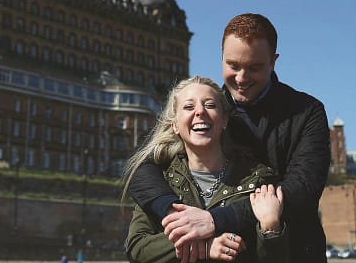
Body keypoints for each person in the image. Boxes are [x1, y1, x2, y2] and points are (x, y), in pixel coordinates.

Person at [128, 13, 331, 262]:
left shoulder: (307, 111)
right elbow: (139, 166)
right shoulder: (210, 108)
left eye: (254, 67)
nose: (242, 78)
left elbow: (302, 189)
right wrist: (175, 214)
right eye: (233, 65)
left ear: (273, 62)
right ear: (221, 57)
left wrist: (214, 220)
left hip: (296, 249)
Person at [124, 76, 289, 263]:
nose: (200, 111)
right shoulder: (160, 182)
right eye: (188, 107)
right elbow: (137, 247)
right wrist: (205, 246)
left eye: (210, 105)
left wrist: (271, 228)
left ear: (224, 120)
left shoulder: (258, 180)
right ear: (175, 125)